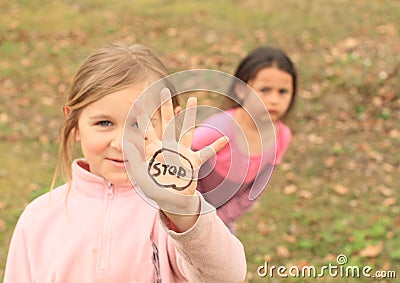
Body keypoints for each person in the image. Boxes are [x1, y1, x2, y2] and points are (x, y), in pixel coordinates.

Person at [4, 43, 247, 282]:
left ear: (170, 120)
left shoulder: (174, 210)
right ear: (75, 123)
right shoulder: (38, 218)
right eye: (104, 123)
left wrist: (182, 211)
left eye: (138, 124)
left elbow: (227, 276)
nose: (121, 144)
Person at [192, 45, 297, 232]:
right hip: (185, 216)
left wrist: (219, 220)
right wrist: (195, 215)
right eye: (264, 90)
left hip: (220, 225)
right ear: (241, 90)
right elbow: (183, 166)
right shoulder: (218, 129)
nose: (274, 100)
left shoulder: (281, 137)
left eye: (282, 92)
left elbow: (253, 192)